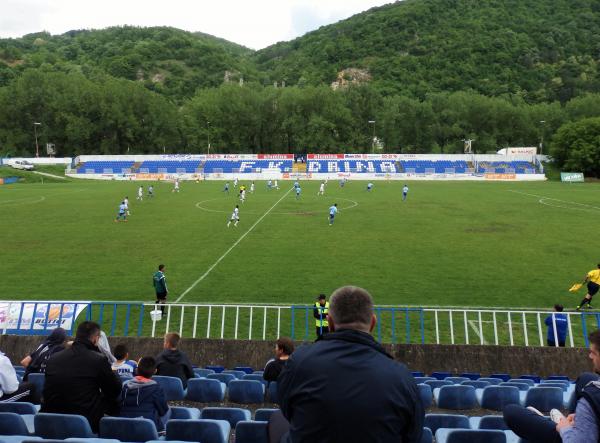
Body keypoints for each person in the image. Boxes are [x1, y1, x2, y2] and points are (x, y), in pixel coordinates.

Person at [276, 286, 424, 442]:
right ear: (373, 323)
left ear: (330, 323)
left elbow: (287, 408)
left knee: (277, 422)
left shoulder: (299, 361)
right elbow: (413, 434)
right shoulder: (402, 377)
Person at [504, 329, 600, 442]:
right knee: (586, 378)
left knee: (511, 412)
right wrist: (582, 417)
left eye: (593, 353)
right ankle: (567, 422)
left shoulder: (591, 398)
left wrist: (565, 428)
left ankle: (559, 424)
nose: (590, 356)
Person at [41, 321, 122, 432]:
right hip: (85, 422)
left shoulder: (54, 358)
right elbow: (114, 390)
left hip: (50, 420)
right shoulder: (98, 360)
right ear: (96, 339)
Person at [120, 356, 170, 432]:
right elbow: (163, 410)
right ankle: (161, 431)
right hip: (148, 428)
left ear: (136, 370)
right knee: (168, 409)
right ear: (155, 371)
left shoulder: (125, 385)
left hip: (125, 425)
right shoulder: (156, 388)